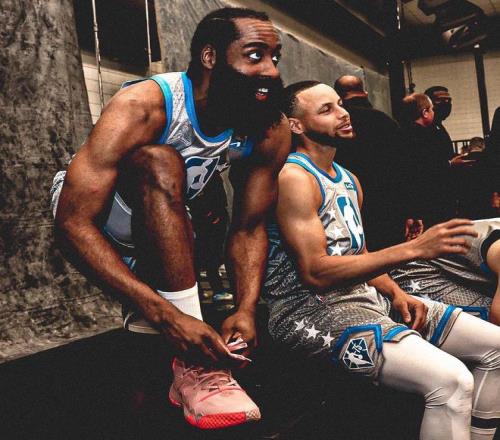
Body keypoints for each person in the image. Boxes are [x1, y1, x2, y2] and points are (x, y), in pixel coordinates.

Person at [50, 7, 290, 429]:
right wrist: (170, 316)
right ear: (210, 57)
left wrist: (246, 308)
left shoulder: (267, 127)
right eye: (255, 55)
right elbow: (72, 222)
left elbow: (249, 226)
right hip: (99, 217)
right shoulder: (146, 104)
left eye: (275, 57)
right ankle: (195, 362)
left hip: (163, 220)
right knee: (160, 161)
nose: (270, 70)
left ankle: (172, 370)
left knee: (146, 376)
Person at [264, 80, 500, 439]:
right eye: (327, 109)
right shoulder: (294, 177)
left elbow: (357, 255)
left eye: (340, 104)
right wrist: (413, 249)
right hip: (310, 309)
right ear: (295, 125)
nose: (343, 113)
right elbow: (315, 272)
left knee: (496, 348)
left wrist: (396, 293)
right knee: (451, 382)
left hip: (364, 298)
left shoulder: (348, 179)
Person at [333, 75, 405, 250]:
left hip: (347, 205)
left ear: (338, 96)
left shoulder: (334, 128)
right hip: (388, 205)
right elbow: (404, 168)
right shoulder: (386, 122)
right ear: (365, 92)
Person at [399, 93, 474, 234]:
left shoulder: (405, 133)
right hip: (429, 202)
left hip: (422, 203)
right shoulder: (422, 136)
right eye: (432, 109)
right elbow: (421, 169)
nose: (434, 112)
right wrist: (450, 164)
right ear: (425, 113)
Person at [187, 171, 233, 303]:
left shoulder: (203, 175)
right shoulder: (210, 175)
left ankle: (202, 291)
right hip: (207, 221)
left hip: (206, 220)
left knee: (205, 257)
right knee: (209, 258)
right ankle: (216, 290)